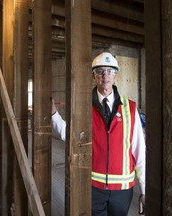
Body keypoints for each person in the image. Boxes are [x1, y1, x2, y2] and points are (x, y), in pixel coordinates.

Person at [51, 52, 146, 216]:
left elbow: (139, 151)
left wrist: (144, 189)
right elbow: (71, 136)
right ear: (94, 76)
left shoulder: (130, 108)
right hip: (93, 188)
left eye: (110, 71)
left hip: (122, 191)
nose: (105, 75)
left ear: (115, 75)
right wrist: (54, 115)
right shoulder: (84, 106)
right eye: (100, 71)